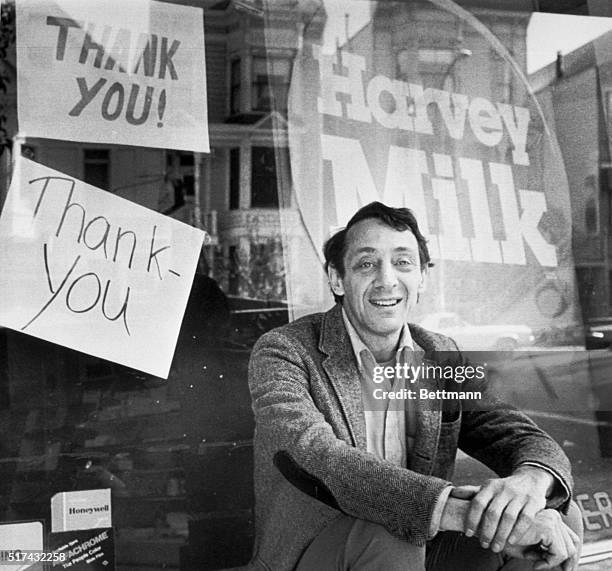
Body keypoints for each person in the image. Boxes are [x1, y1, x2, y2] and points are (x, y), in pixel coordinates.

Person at [248, 202, 582, 571]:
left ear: (422, 277)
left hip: (419, 545)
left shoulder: (441, 355)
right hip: (316, 552)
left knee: (559, 519)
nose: (387, 279)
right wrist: (467, 512)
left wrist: (529, 487)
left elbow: (518, 435)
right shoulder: (284, 350)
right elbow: (320, 458)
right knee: (393, 532)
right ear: (337, 279)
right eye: (366, 264)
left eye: (403, 263)